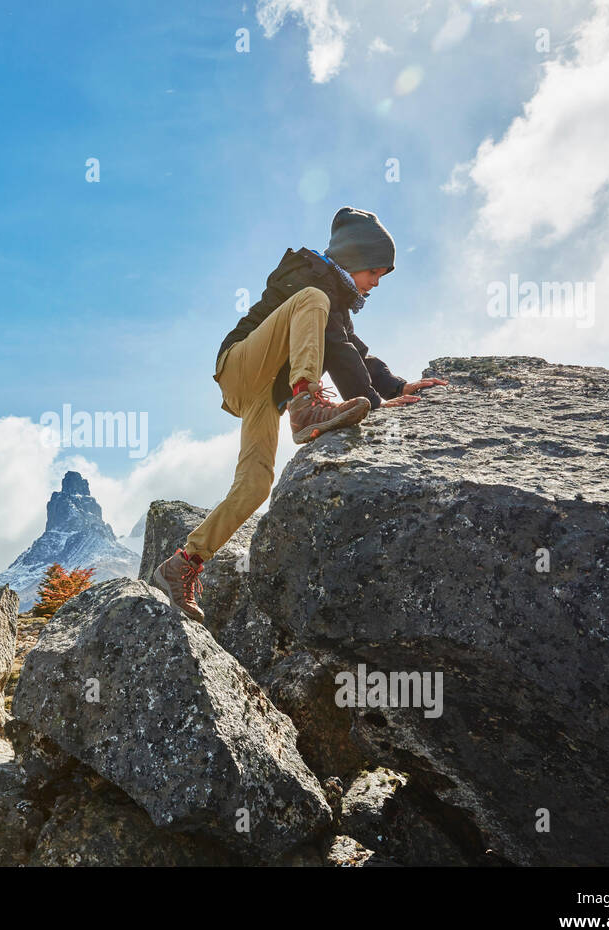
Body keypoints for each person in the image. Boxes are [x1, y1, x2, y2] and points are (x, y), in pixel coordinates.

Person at [152, 206, 447, 622]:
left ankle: (183, 563)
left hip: (263, 395)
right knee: (312, 300)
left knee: (255, 485)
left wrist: (397, 387)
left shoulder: (336, 301)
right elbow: (338, 349)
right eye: (374, 271)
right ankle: (306, 402)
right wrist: (374, 404)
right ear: (355, 259)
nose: (377, 282)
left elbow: (353, 351)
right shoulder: (311, 279)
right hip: (240, 364)